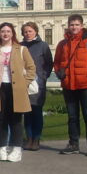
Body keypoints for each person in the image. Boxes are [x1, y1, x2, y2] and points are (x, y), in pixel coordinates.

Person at [0, 22, 36, 162]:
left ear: (12, 34)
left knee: (16, 120)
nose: (5, 34)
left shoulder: (21, 49)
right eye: (2, 31)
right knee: (0, 119)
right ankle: (2, 148)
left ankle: (17, 149)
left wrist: (25, 83)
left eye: (8, 31)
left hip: (16, 88)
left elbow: (31, 68)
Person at [53, 13, 87, 157]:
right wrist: (59, 72)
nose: (74, 27)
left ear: (82, 26)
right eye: (72, 25)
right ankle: (73, 144)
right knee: (72, 116)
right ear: (68, 26)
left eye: (77, 25)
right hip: (69, 85)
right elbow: (57, 62)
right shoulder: (62, 44)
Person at [21, 21, 53, 151]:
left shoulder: (43, 46)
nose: (28, 33)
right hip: (23, 83)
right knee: (26, 113)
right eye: (25, 31)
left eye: (30, 31)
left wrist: (43, 77)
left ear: (36, 32)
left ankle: (36, 138)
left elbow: (49, 63)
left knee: (37, 111)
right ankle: (29, 138)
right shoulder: (20, 46)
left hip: (38, 83)